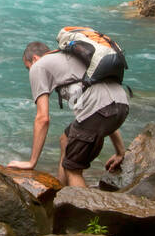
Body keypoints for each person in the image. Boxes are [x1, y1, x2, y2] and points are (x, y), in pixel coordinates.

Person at [8, 39, 129, 187]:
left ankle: (84, 208)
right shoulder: (67, 58)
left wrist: (31, 162)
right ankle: (60, 194)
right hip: (121, 104)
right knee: (66, 139)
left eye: (28, 68)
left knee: (72, 169)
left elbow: (42, 118)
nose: (30, 71)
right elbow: (104, 114)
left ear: (34, 58)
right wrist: (120, 152)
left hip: (99, 110)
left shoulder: (38, 66)